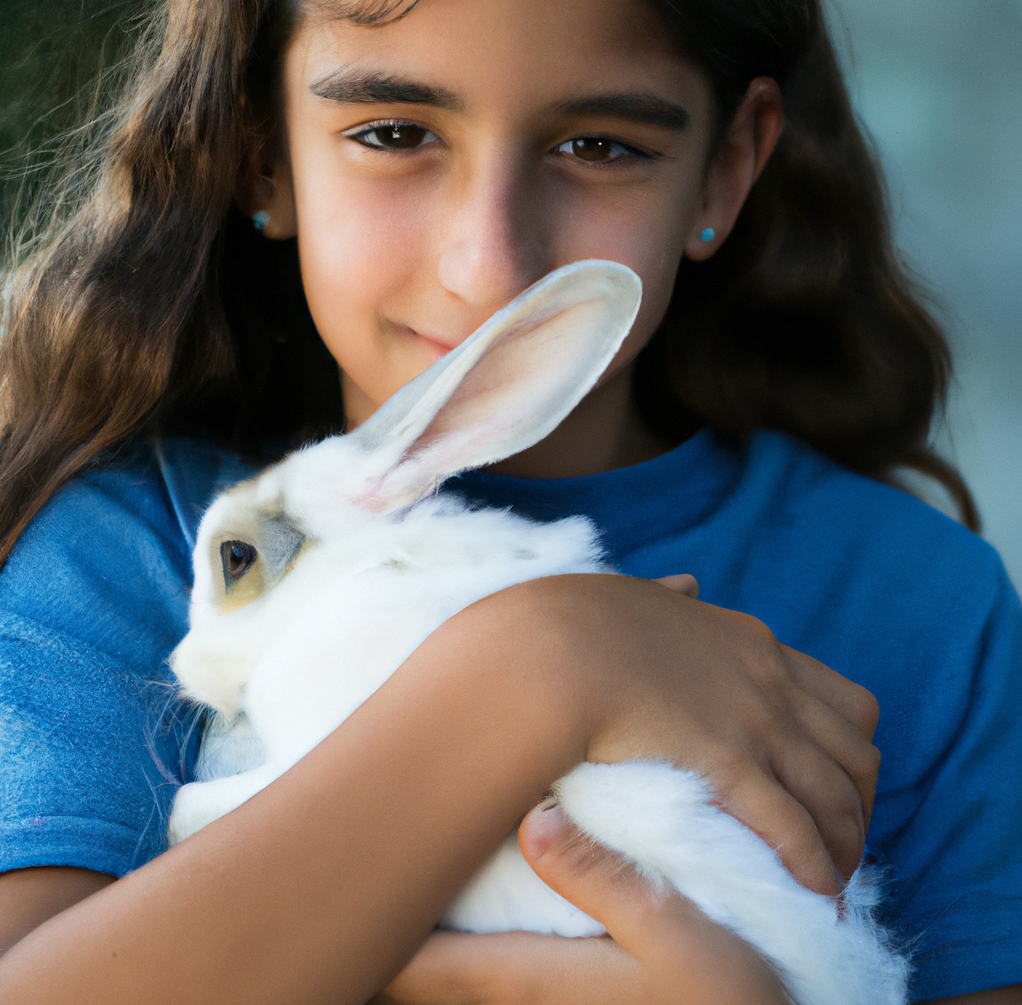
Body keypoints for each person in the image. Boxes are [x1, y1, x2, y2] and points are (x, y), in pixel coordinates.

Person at [0, 0, 1018, 1002]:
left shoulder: (923, 603)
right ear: (262, 156)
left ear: (722, 169)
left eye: (599, 146)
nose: (488, 263)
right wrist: (545, 665)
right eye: (392, 134)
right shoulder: (119, 552)